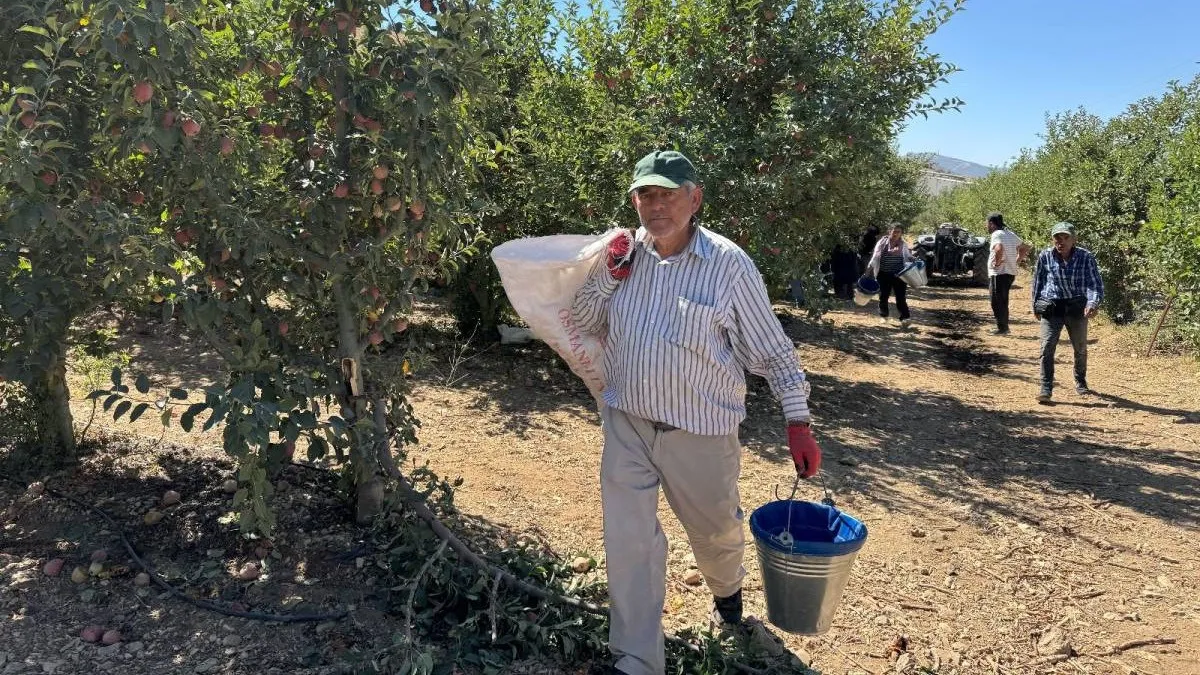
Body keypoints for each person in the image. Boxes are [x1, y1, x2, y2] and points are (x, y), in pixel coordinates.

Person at [570, 150, 822, 675]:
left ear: (694, 198)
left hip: (701, 432)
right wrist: (607, 278)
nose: (654, 205)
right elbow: (585, 322)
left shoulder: (728, 266)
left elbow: (772, 351)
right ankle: (636, 661)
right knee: (630, 542)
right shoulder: (621, 254)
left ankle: (728, 597)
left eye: (666, 193)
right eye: (644, 194)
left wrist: (797, 421)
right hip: (628, 425)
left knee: (716, 536)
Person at [1031, 222, 1104, 403]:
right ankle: (1046, 387)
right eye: (1057, 238)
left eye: (1065, 238)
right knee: (1047, 347)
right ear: (1052, 239)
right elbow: (1038, 282)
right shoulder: (1045, 256)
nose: (1061, 242)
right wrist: (1035, 306)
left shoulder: (1086, 257)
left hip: (1076, 307)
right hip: (1052, 306)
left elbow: (1094, 283)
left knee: (1080, 347)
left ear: (1074, 239)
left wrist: (1092, 303)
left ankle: (1080, 381)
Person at [986, 212, 1031, 335]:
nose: (987, 226)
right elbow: (1025, 247)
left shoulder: (996, 234)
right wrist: (1016, 261)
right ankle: (1003, 327)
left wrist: (997, 262)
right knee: (1003, 300)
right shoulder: (1010, 234)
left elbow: (999, 248)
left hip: (999, 273)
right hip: (1009, 272)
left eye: (987, 224)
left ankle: (1002, 328)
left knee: (997, 301)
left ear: (991, 223)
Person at [865, 222, 915, 327]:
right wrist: (868, 270)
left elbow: (907, 256)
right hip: (883, 274)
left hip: (899, 276)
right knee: (883, 296)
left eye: (898, 232)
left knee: (901, 297)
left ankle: (905, 318)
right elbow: (875, 257)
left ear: (901, 233)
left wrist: (913, 259)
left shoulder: (903, 244)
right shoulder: (882, 243)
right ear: (889, 231)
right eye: (894, 231)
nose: (896, 233)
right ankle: (884, 316)